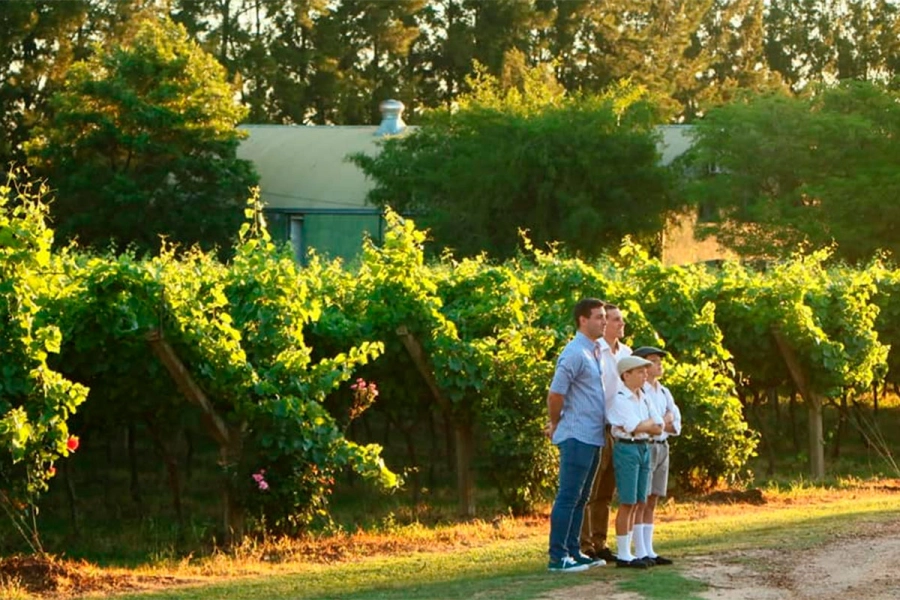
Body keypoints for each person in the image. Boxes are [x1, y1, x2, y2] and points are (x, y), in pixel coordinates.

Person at [546, 298, 609, 572]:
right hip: (576, 435)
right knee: (569, 495)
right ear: (583, 320)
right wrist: (554, 422)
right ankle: (557, 557)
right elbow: (556, 392)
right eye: (598, 317)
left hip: (593, 436)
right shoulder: (574, 353)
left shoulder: (593, 352)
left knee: (582, 498)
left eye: (605, 317)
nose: (604, 321)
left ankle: (573, 551)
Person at [580, 303, 631, 563]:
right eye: (615, 319)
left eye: (621, 320)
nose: (620, 324)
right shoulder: (594, 351)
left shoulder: (627, 353)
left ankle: (600, 542)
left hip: (618, 429)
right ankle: (584, 544)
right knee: (589, 488)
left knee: (606, 492)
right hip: (596, 426)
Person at [608, 355, 664, 568]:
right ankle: (624, 554)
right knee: (628, 501)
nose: (645, 375)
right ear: (626, 375)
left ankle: (638, 551)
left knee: (640, 500)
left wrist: (645, 425)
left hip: (643, 447)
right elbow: (632, 426)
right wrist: (645, 425)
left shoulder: (644, 396)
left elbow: (658, 425)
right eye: (640, 372)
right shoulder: (620, 398)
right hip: (627, 448)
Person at [631, 346, 682, 566]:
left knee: (653, 498)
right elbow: (650, 423)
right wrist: (663, 422)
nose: (659, 364)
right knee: (641, 498)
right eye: (653, 361)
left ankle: (649, 549)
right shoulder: (640, 392)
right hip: (647, 445)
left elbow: (674, 421)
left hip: (662, 446)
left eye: (659, 361)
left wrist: (663, 422)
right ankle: (639, 549)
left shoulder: (664, 391)